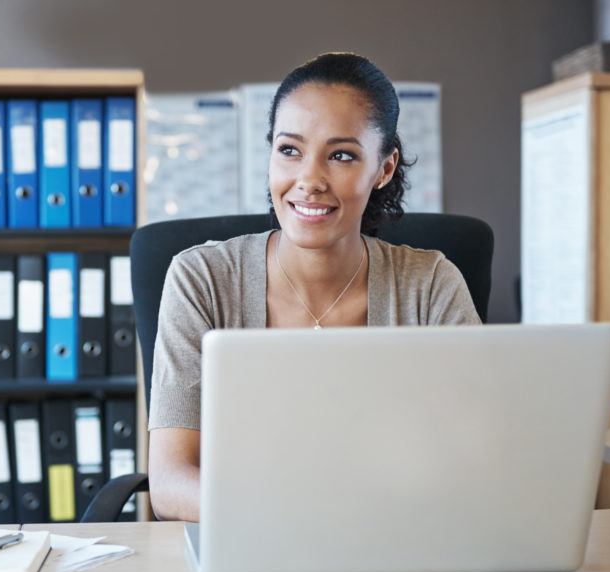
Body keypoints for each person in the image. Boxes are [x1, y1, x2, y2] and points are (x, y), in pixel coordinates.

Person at [147, 52, 480, 522]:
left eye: (341, 156)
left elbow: (474, 461)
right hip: (248, 543)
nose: (309, 180)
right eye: (289, 150)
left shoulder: (428, 285)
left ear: (383, 168)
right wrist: (293, 518)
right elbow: (169, 483)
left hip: (393, 542)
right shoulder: (201, 279)